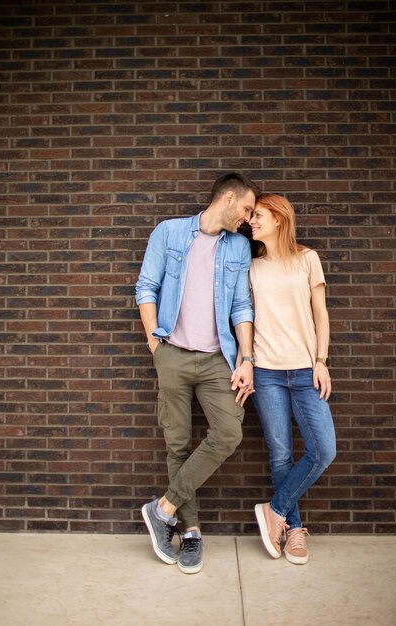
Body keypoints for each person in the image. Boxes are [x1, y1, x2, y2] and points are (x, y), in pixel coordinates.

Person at [135, 173, 259, 574]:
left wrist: (246, 358)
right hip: (171, 352)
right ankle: (190, 533)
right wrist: (156, 346)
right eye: (245, 210)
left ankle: (162, 508)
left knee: (228, 432)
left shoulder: (238, 246)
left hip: (215, 360)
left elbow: (241, 305)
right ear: (227, 198)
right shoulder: (169, 233)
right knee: (178, 445)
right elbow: (146, 287)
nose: (247, 219)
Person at [247, 194, 336, 565]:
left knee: (323, 450)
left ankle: (275, 510)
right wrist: (247, 362)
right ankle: (292, 529)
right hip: (266, 371)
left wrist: (321, 360)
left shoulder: (307, 260)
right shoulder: (251, 267)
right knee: (280, 453)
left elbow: (321, 314)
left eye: (258, 216)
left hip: (304, 370)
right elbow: (245, 320)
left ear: (279, 219)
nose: (251, 221)